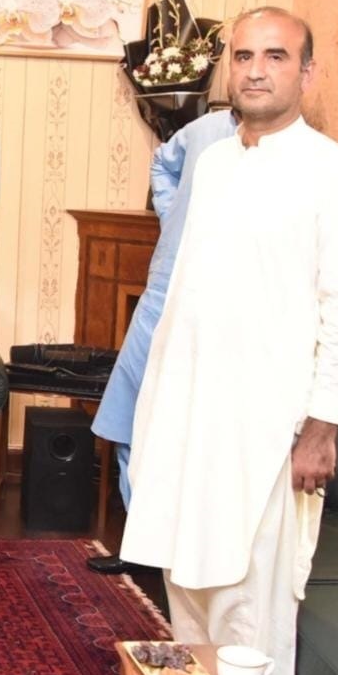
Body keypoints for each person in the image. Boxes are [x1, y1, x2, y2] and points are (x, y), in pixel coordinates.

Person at [119, 7, 338, 675]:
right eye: (243, 56)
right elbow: (186, 299)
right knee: (187, 603)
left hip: (267, 437)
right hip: (188, 422)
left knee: (249, 622)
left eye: (276, 56)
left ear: (307, 73)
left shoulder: (334, 174)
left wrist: (321, 430)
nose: (256, 70)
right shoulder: (215, 163)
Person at [87, 107, 239, 575]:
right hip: (164, 287)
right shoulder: (204, 130)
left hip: (223, 304)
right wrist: (173, 216)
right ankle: (139, 544)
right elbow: (162, 163)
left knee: (196, 424)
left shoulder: (286, 152)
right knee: (132, 409)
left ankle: (187, 549)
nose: (251, 74)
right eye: (240, 66)